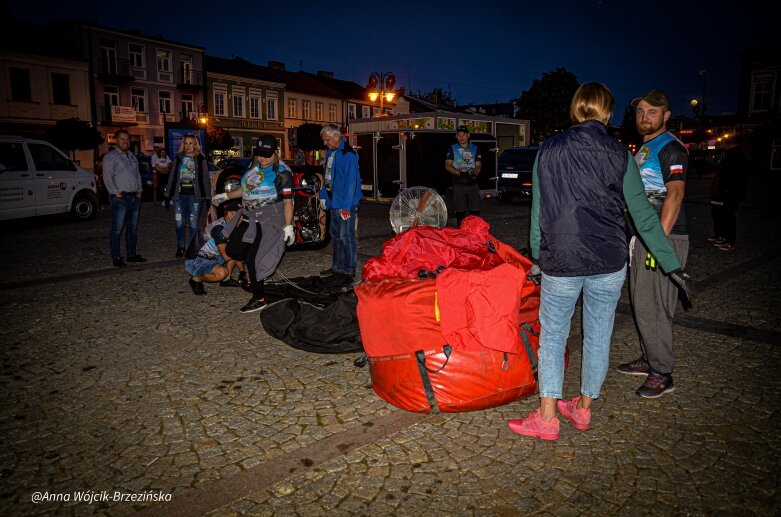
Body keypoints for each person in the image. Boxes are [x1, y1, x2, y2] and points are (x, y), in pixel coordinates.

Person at [508, 83, 686, 441]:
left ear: (576, 110)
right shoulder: (621, 153)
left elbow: (539, 212)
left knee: (554, 337)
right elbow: (643, 215)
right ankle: (583, 409)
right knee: (598, 336)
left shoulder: (549, 150)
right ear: (605, 112)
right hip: (609, 259)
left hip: (562, 258)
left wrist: (537, 255)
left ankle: (546, 416)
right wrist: (671, 263)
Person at [617, 89, 690, 398]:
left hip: (662, 238)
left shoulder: (671, 148)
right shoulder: (645, 148)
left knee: (656, 305)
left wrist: (657, 246)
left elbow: (675, 194)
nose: (644, 117)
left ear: (666, 116)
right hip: (644, 236)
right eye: (640, 112)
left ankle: (662, 372)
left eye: (652, 112)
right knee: (643, 302)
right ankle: (650, 358)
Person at [211, 135, 295, 313]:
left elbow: (288, 202)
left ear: (275, 153)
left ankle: (259, 298)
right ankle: (255, 275)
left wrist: (288, 226)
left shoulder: (283, 172)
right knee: (233, 250)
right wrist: (226, 195)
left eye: (267, 155)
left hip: (269, 219)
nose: (263, 159)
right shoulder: (254, 166)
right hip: (250, 216)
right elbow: (246, 189)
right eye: (260, 155)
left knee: (253, 259)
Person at [318, 124, 362, 279]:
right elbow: (327, 177)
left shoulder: (348, 154)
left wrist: (346, 207)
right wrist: (324, 195)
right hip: (334, 201)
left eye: (327, 140)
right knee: (335, 235)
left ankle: (349, 271)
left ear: (336, 136)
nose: (325, 143)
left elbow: (351, 183)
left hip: (345, 204)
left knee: (347, 237)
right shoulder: (331, 152)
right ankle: (337, 268)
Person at [103, 129, 147, 267]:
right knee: (117, 229)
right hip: (120, 197)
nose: (126, 141)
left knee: (132, 228)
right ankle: (116, 257)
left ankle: (131, 255)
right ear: (116, 140)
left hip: (134, 197)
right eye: (122, 139)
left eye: (127, 139)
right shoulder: (111, 157)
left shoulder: (132, 156)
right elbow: (107, 176)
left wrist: (139, 190)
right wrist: (115, 192)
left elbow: (137, 174)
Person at [165, 135, 211, 258]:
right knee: (179, 222)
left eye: (191, 143)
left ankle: (192, 249)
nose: (188, 146)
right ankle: (180, 246)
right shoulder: (178, 158)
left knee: (193, 224)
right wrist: (167, 194)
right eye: (186, 143)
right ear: (183, 145)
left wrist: (208, 197)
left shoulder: (201, 159)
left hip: (195, 197)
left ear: (195, 145)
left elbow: (205, 179)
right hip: (179, 197)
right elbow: (172, 176)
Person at [185, 200, 244, 295]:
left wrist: (242, 273)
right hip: (196, 261)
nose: (240, 218)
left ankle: (226, 280)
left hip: (213, 256)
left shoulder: (231, 226)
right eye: (237, 215)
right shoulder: (219, 228)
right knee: (222, 273)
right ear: (228, 213)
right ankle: (196, 279)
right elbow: (226, 256)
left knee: (236, 250)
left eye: (242, 216)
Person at [709, 141, 748, 251]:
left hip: (729, 192)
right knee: (721, 214)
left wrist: (726, 189)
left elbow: (729, 176)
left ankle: (729, 241)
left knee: (727, 216)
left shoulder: (733, 157)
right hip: (728, 191)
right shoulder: (735, 156)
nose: (721, 146)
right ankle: (723, 237)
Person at [445, 125, 482, 227]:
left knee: (475, 210)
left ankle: (474, 232)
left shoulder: (475, 148)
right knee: (460, 211)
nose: (461, 137)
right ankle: (462, 232)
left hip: (472, 182)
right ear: (456, 136)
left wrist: (475, 172)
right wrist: (460, 173)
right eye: (459, 135)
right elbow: (447, 165)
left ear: (468, 135)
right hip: (459, 183)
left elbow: (478, 165)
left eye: (463, 135)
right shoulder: (453, 148)